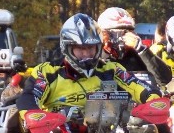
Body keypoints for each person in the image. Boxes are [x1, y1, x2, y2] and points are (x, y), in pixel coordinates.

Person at [17, 13, 160, 120]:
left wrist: (153, 100)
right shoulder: (48, 72)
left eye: (91, 48)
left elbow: (139, 85)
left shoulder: (111, 69)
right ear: (67, 47)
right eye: (80, 48)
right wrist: (34, 115)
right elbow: (29, 97)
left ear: (99, 47)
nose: (86, 54)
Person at [97, 7, 172, 88]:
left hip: (138, 99)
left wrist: (141, 49)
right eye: (118, 32)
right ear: (103, 33)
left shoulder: (137, 54)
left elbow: (164, 80)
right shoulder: (96, 56)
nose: (124, 35)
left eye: (128, 31)